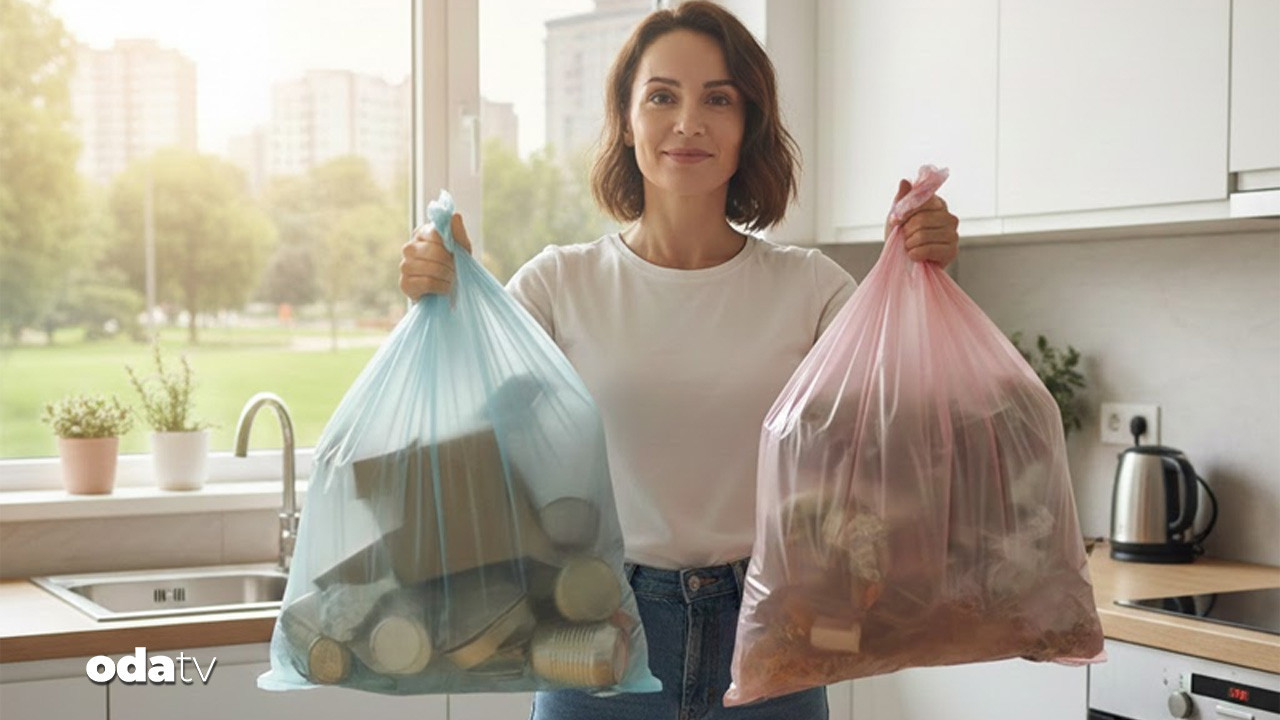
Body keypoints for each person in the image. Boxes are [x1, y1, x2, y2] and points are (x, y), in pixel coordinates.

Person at [400, 3, 959, 718]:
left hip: (771, 640)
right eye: (662, 95)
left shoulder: (812, 288)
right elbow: (466, 433)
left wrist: (916, 275)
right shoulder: (557, 284)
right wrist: (445, 300)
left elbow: (902, 424)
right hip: (597, 639)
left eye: (717, 99)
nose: (689, 121)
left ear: (747, 124)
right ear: (627, 121)